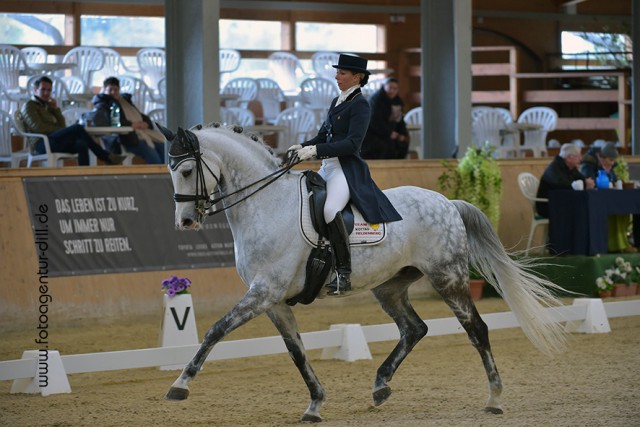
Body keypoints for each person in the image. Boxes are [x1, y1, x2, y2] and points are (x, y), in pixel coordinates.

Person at [288, 54, 403, 295]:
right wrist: (302, 146)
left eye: (341, 73)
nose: (336, 76)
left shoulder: (361, 105)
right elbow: (323, 136)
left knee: (331, 210)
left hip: (345, 169)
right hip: (327, 166)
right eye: (337, 72)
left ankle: (343, 273)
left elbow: (352, 143)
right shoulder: (336, 101)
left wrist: (316, 150)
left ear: (356, 77)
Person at [20, 76, 125, 166]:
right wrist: (60, 130)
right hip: (41, 144)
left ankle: (84, 177)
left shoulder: (48, 106)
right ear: (35, 90)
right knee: (77, 128)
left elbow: (62, 125)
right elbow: (39, 128)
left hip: (54, 141)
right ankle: (105, 156)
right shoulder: (29, 105)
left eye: (49, 90)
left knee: (81, 143)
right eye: (43, 90)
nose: (46, 93)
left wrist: (55, 110)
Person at [92, 77, 166, 164]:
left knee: (163, 148)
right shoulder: (102, 104)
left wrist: (146, 123)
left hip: (140, 134)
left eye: (115, 90)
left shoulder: (125, 101)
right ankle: (157, 175)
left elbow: (140, 115)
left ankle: (167, 174)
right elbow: (111, 122)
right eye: (110, 90)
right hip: (123, 138)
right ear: (104, 90)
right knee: (151, 153)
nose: (113, 92)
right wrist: (132, 124)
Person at [580, 142, 636, 253]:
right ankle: (610, 244)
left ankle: (622, 242)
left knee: (622, 208)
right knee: (611, 209)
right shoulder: (588, 162)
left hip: (607, 197)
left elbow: (613, 180)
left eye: (613, 160)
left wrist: (610, 174)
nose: (612, 163)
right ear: (602, 157)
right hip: (591, 200)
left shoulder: (609, 164)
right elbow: (589, 180)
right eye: (610, 160)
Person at [536, 143, 594, 218]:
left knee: (586, 207)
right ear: (569, 157)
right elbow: (563, 184)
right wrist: (583, 184)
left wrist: (587, 182)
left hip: (561, 202)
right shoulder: (554, 168)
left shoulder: (571, 167)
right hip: (548, 205)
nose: (581, 158)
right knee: (581, 210)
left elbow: (581, 179)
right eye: (578, 156)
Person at [361, 77, 409, 159]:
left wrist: (402, 134)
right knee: (383, 146)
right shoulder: (376, 100)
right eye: (390, 88)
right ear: (384, 87)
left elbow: (399, 120)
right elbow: (374, 121)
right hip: (373, 133)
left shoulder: (397, 101)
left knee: (403, 142)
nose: (392, 91)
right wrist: (389, 133)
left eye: (395, 89)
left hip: (390, 133)